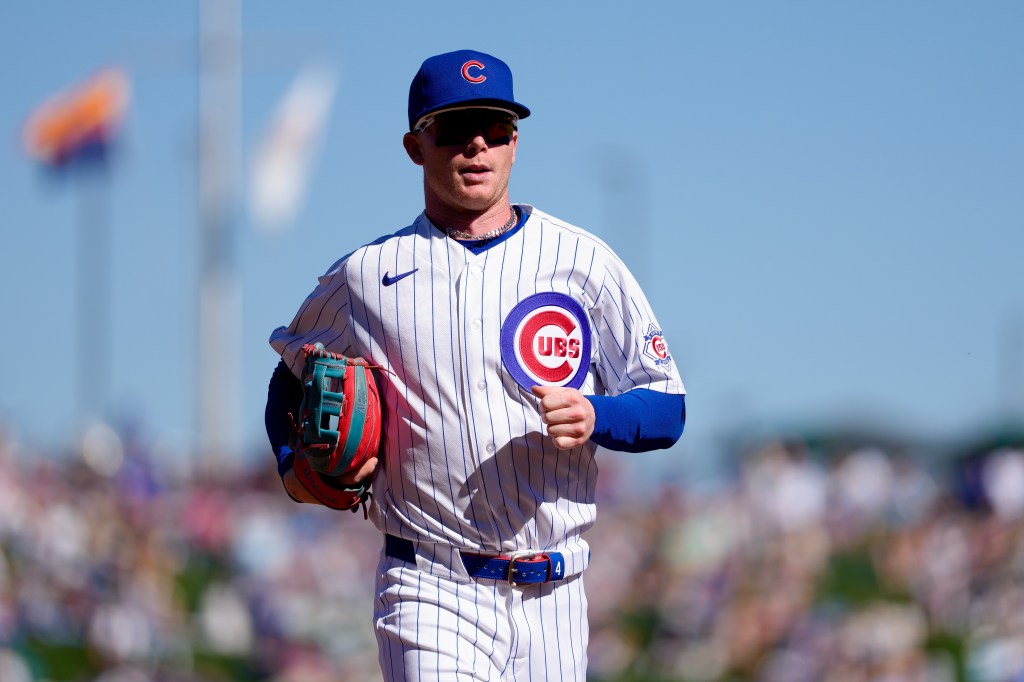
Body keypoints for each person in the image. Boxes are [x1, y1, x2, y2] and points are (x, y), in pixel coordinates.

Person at [265, 49, 686, 681]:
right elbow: (290, 373)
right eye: (456, 130)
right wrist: (292, 461)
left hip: (555, 592)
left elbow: (667, 407)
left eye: (495, 128)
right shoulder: (367, 275)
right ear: (416, 146)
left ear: (516, 142)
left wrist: (597, 413)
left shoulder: (582, 261)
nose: (478, 145)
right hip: (429, 584)